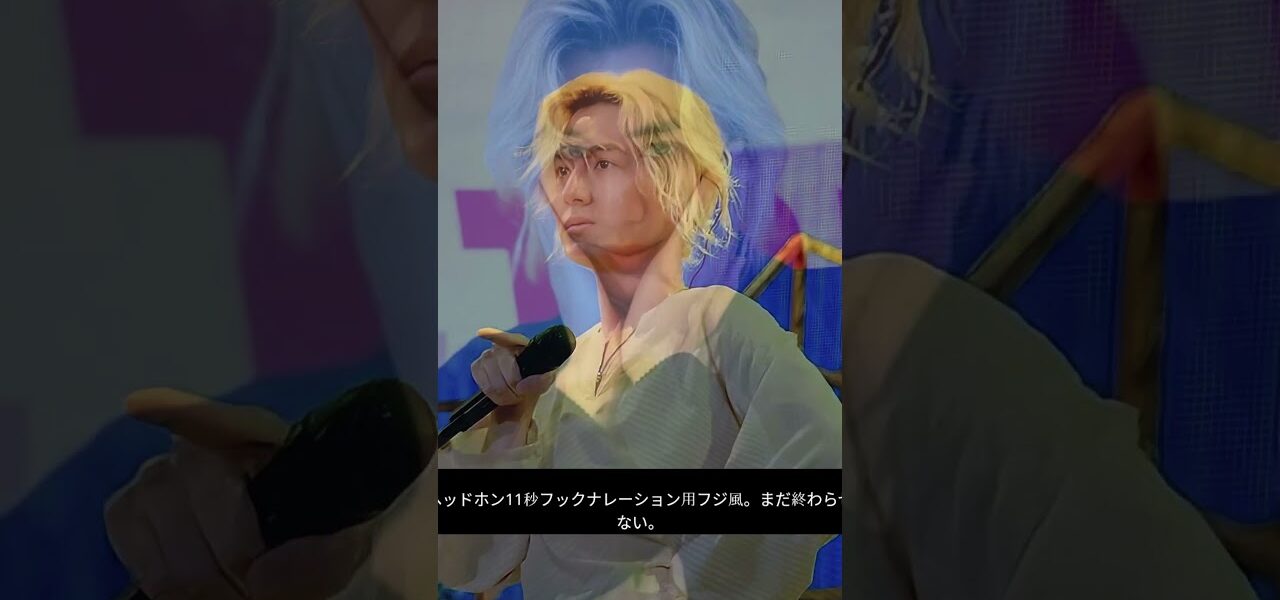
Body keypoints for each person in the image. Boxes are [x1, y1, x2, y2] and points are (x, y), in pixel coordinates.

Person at [438, 69, 841, 599]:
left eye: (602, 162)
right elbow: (474, 565)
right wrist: (513, 418)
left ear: (680, 178)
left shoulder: (716, 321)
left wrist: (693, 586)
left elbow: (818, 451)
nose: (573, 190)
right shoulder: (565, 370)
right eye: (563, 168)